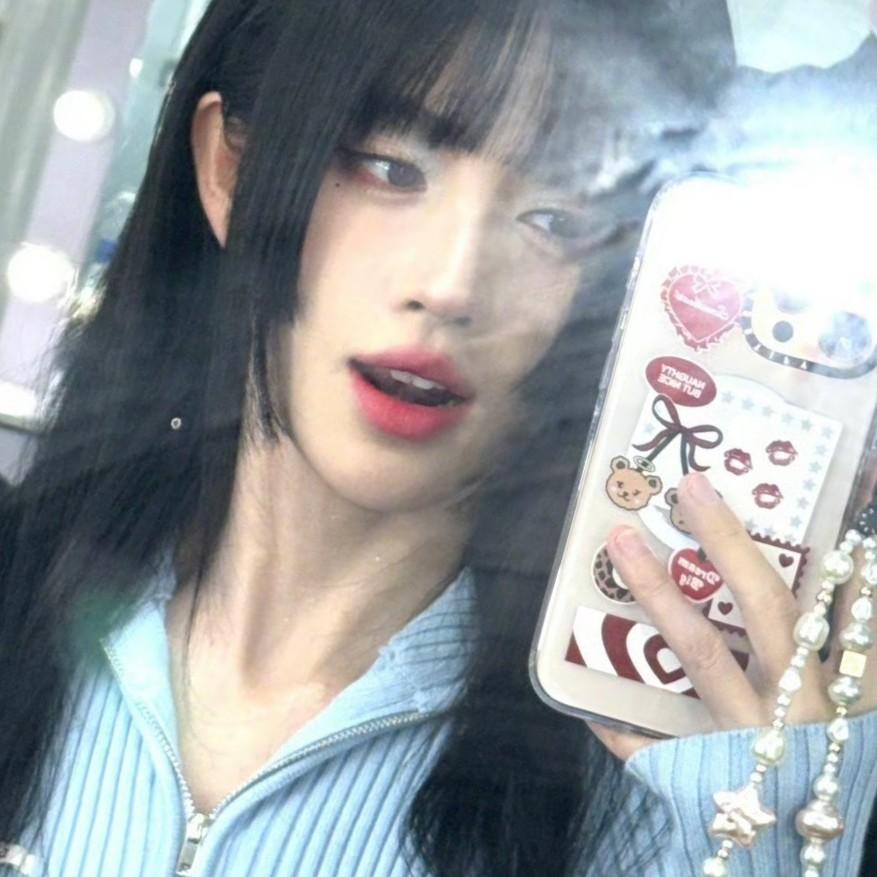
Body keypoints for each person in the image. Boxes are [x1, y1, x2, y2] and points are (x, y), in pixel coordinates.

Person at [0, 1, 875, 875]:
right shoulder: (21, 597)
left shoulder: (697, 793)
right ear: (232, 166)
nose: (453, 283)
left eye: (558, 221)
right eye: (391, 168)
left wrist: (784, 839)